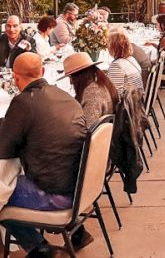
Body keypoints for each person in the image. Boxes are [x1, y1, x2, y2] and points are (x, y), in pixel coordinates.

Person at [0, 53, 87, 255]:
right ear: (42, 71)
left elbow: (4, 149)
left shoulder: (23, 102)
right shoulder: (65, 96)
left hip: (55, 195)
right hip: (78, 188)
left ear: (16, 78)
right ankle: (77, 232)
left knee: (3, 192)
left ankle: (39, 248)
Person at [61, 52, 118, 127]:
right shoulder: (101, 82)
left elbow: (88, 127)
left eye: (71, 78)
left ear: (79, 76)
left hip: (96, 137)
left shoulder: (92, 94)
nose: (71, 82)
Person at [107, 30, 144, 95]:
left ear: (112, 47)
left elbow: (114, 94)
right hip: (136, 101)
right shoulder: (131, 59)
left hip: (126, 104)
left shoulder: (117, 65)